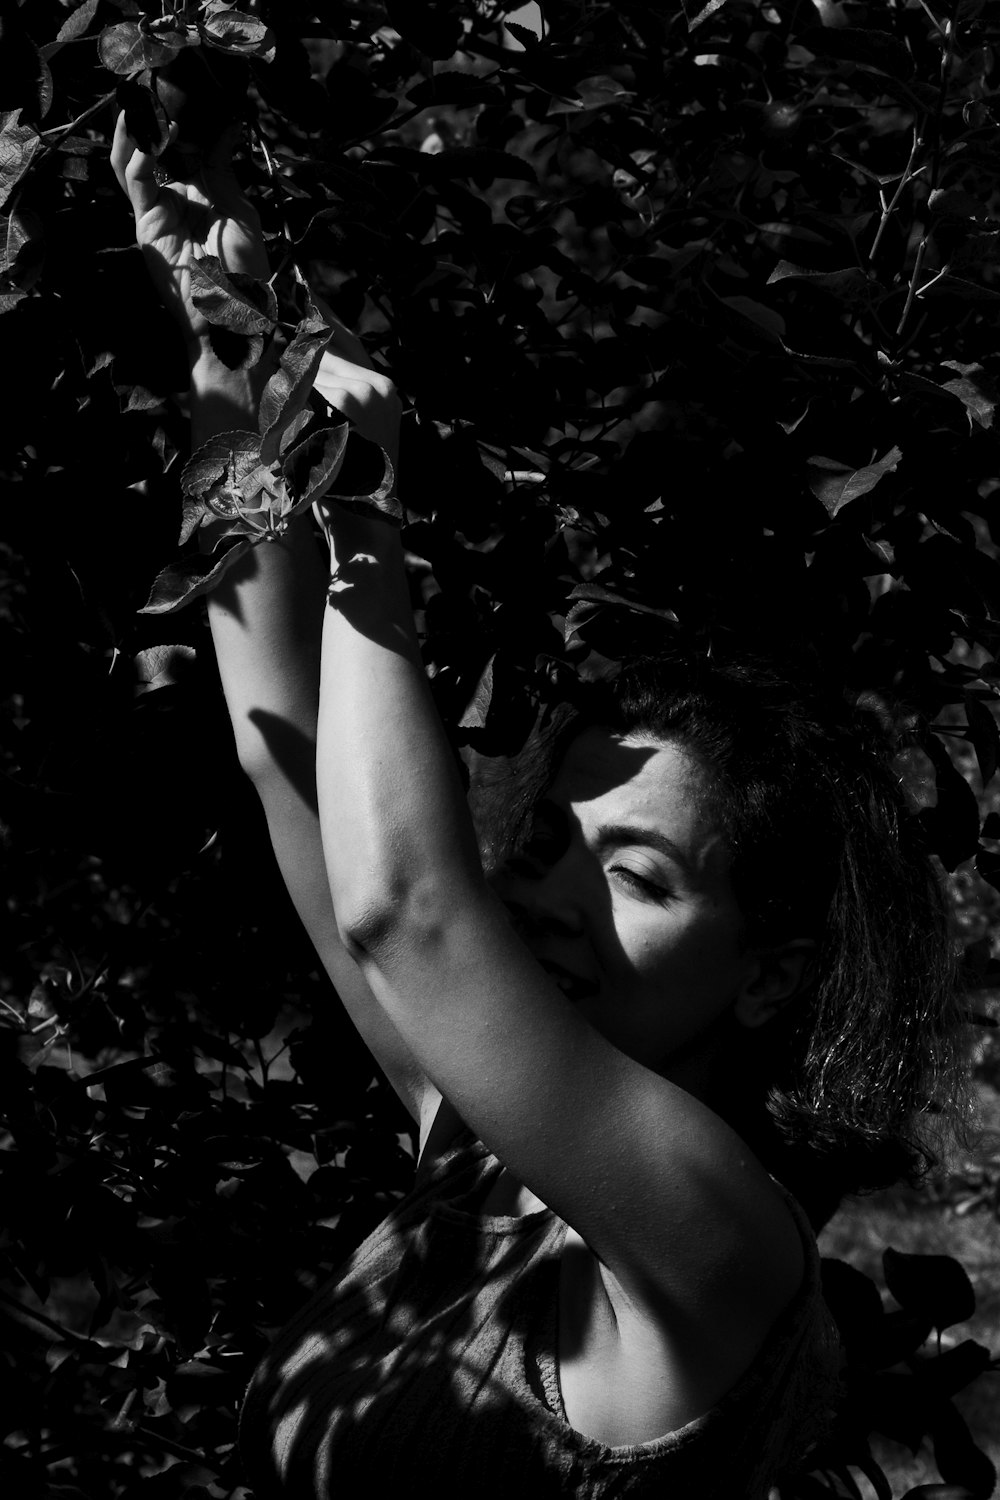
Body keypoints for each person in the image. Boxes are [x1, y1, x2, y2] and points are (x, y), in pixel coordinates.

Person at [111, 117, 968, 1498]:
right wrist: (237, 358)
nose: (550, 894)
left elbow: (404, 911)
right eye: (545, 841)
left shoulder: (722, 1241)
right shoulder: (475, 1154)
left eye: (635, 875)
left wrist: (372, 510)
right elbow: (284, 751)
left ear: (774, 977)